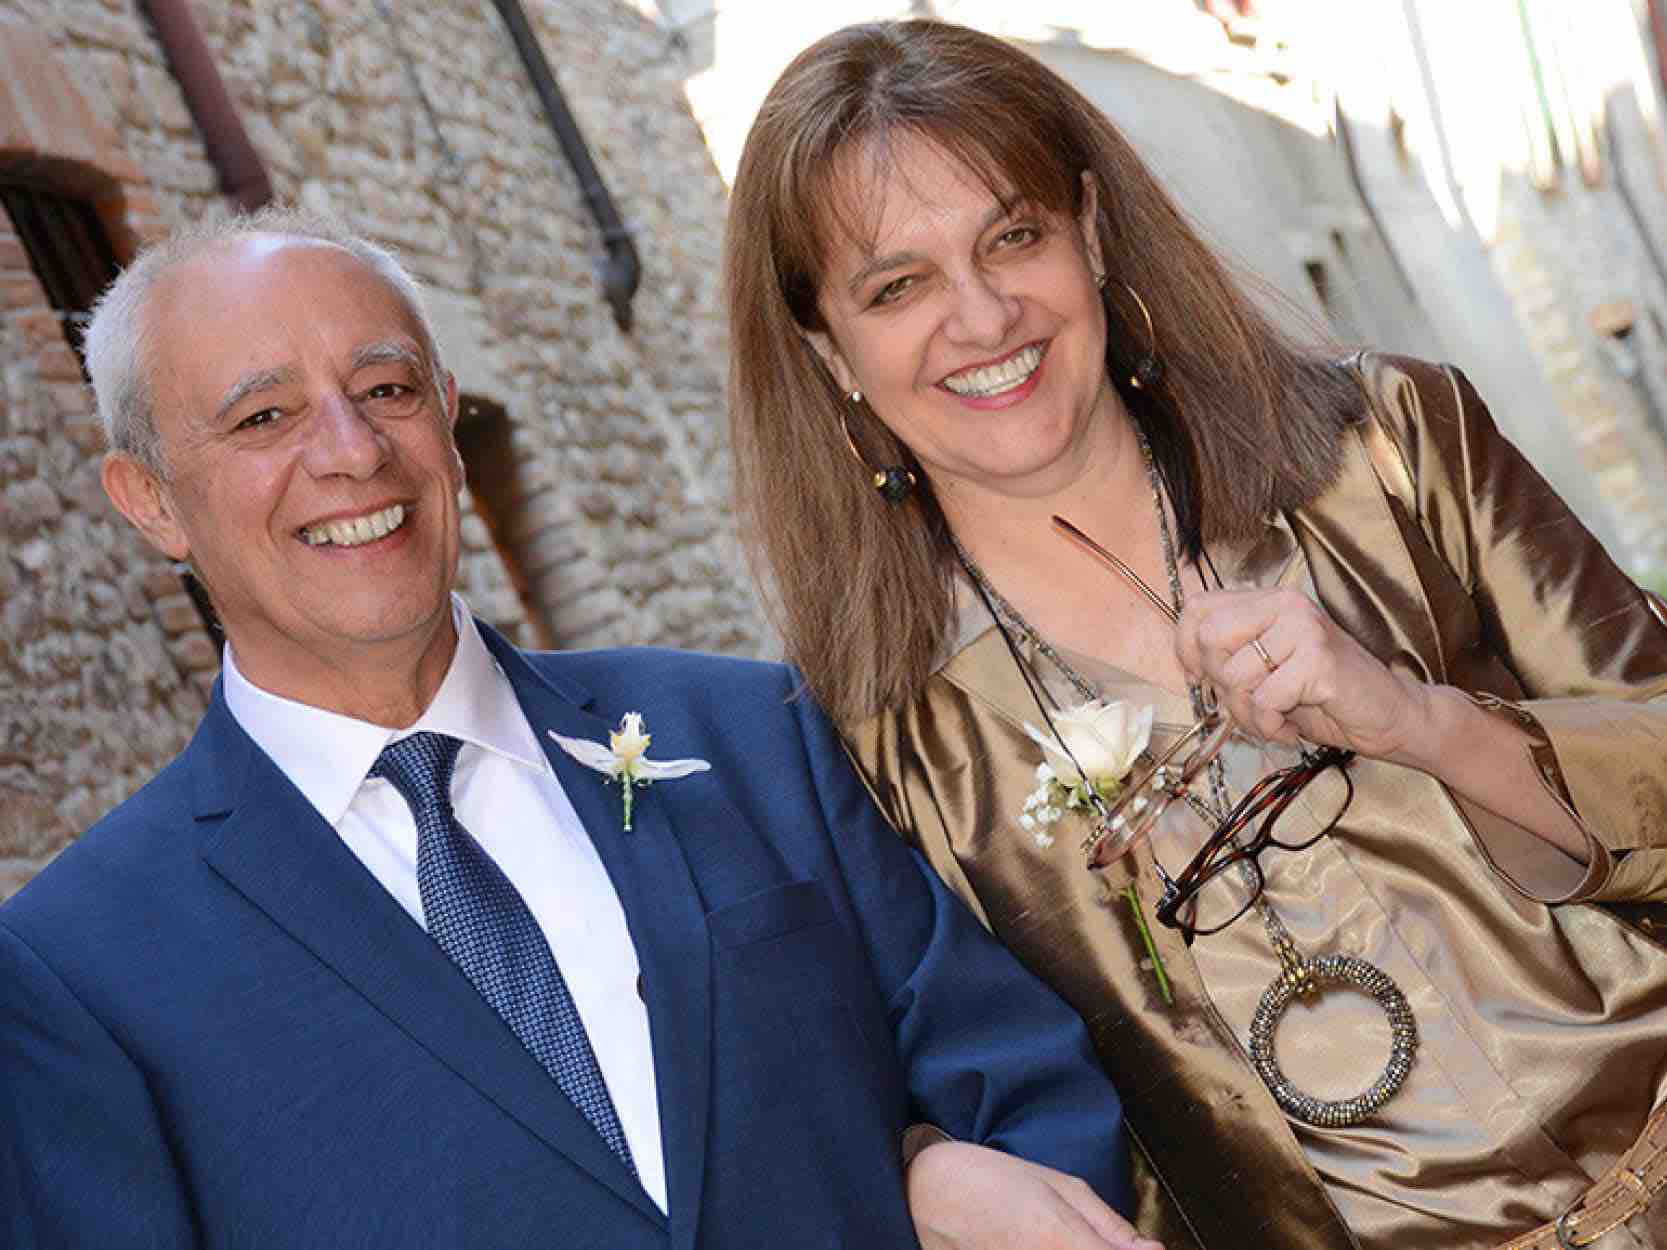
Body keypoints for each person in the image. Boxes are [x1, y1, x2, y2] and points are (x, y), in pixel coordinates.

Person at [0, 208, 1162, 1250]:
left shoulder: (751, 730)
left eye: (388, 389)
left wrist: (935, 1163)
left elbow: (1016, 1077)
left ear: (447, 417)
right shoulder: (77, 973)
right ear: (150, 499)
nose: (352, 451)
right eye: (264, 416)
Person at [725, 18, 1667, 1250]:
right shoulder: (873, 751)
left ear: (1089, 229)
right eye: (896, 286)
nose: (982, 314)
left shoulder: (1391, 444)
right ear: (824, 346)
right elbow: (894, 1096)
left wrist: (1422, 722)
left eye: (1012, 237)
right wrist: (918, 1161)